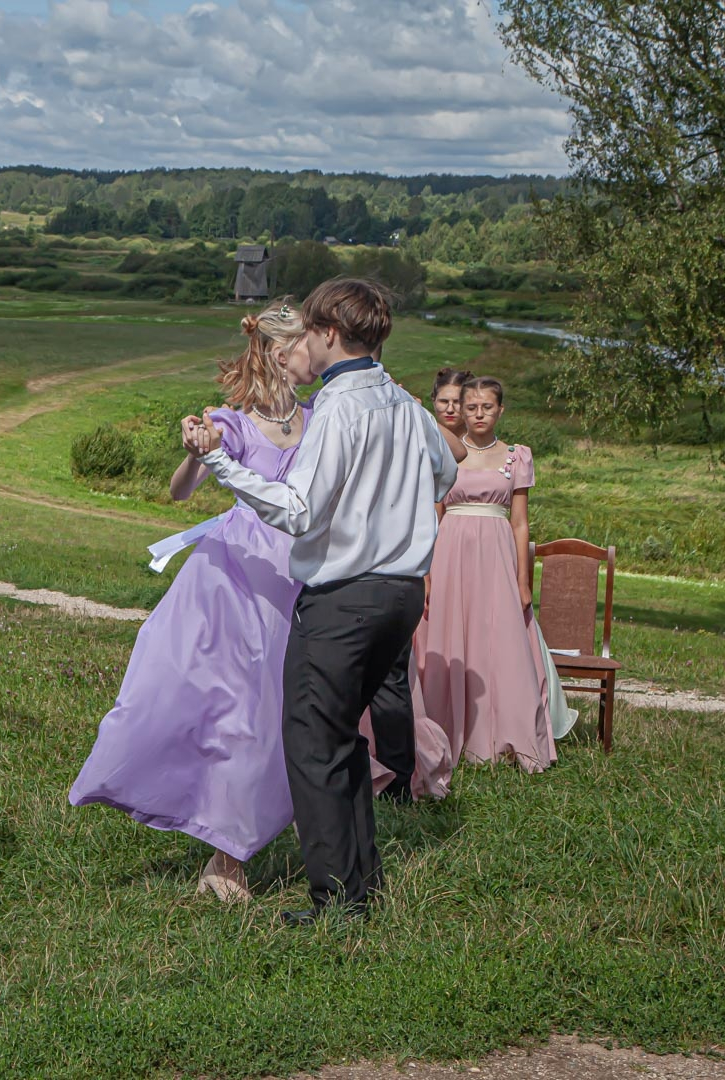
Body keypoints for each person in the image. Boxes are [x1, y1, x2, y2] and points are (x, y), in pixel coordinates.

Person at [71, 301, 453, 904]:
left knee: (295, 712)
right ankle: (228, 857)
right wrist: (200, 449)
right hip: (239, 576)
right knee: (237, 710)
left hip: (305, 575)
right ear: (284, 353)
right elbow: (179, 492)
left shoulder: (322, 414)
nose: (316, 355)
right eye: (307, 345)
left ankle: (311, 834)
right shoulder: (233, 421)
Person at [182, 278, 458, 923]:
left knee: (314, 743)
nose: (303, 341)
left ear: (329, 333)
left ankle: (336, 900)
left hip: (346, 597)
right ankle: (363, 886)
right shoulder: (403, 401)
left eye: (307, 330)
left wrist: (224, 463)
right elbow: (446, 471)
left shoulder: (338, 405)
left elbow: (297, 510)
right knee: (344, 740)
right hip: (401, 594)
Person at [417, 376, 560, 771]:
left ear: (500, 410)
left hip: (496, 553)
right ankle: (443, 733)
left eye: (487, 407)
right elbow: (434, 514)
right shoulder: (447, 453)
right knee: (450, 636)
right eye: (472, 407)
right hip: (450, 551)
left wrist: (522, 578)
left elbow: (520, 523)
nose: (479, 414)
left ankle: (501, 734)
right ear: (462, 410)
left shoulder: (517, 456)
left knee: (498, 637)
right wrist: (426, 573)